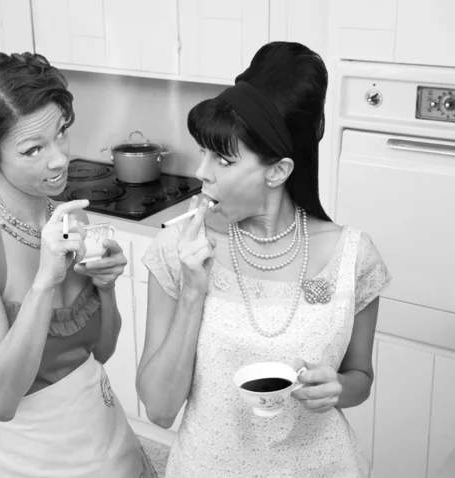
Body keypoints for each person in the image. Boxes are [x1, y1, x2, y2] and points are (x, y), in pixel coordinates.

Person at [136, 41, 391, 477]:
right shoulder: (179, 249)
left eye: (223, 159)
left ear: (278, 171)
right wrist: (193, 292)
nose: (202, 172)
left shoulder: (354, 256)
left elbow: (360, 378)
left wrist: (339, 388)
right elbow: (158, 410)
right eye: (204, 152)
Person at [0, 51, 156, 478]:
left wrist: (106, 288)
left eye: (62, 133)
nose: (58, 159)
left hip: (98, 435)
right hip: (18, 456)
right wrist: (44, 283)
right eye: (33, 149)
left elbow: (101, 352)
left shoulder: (71, 218)